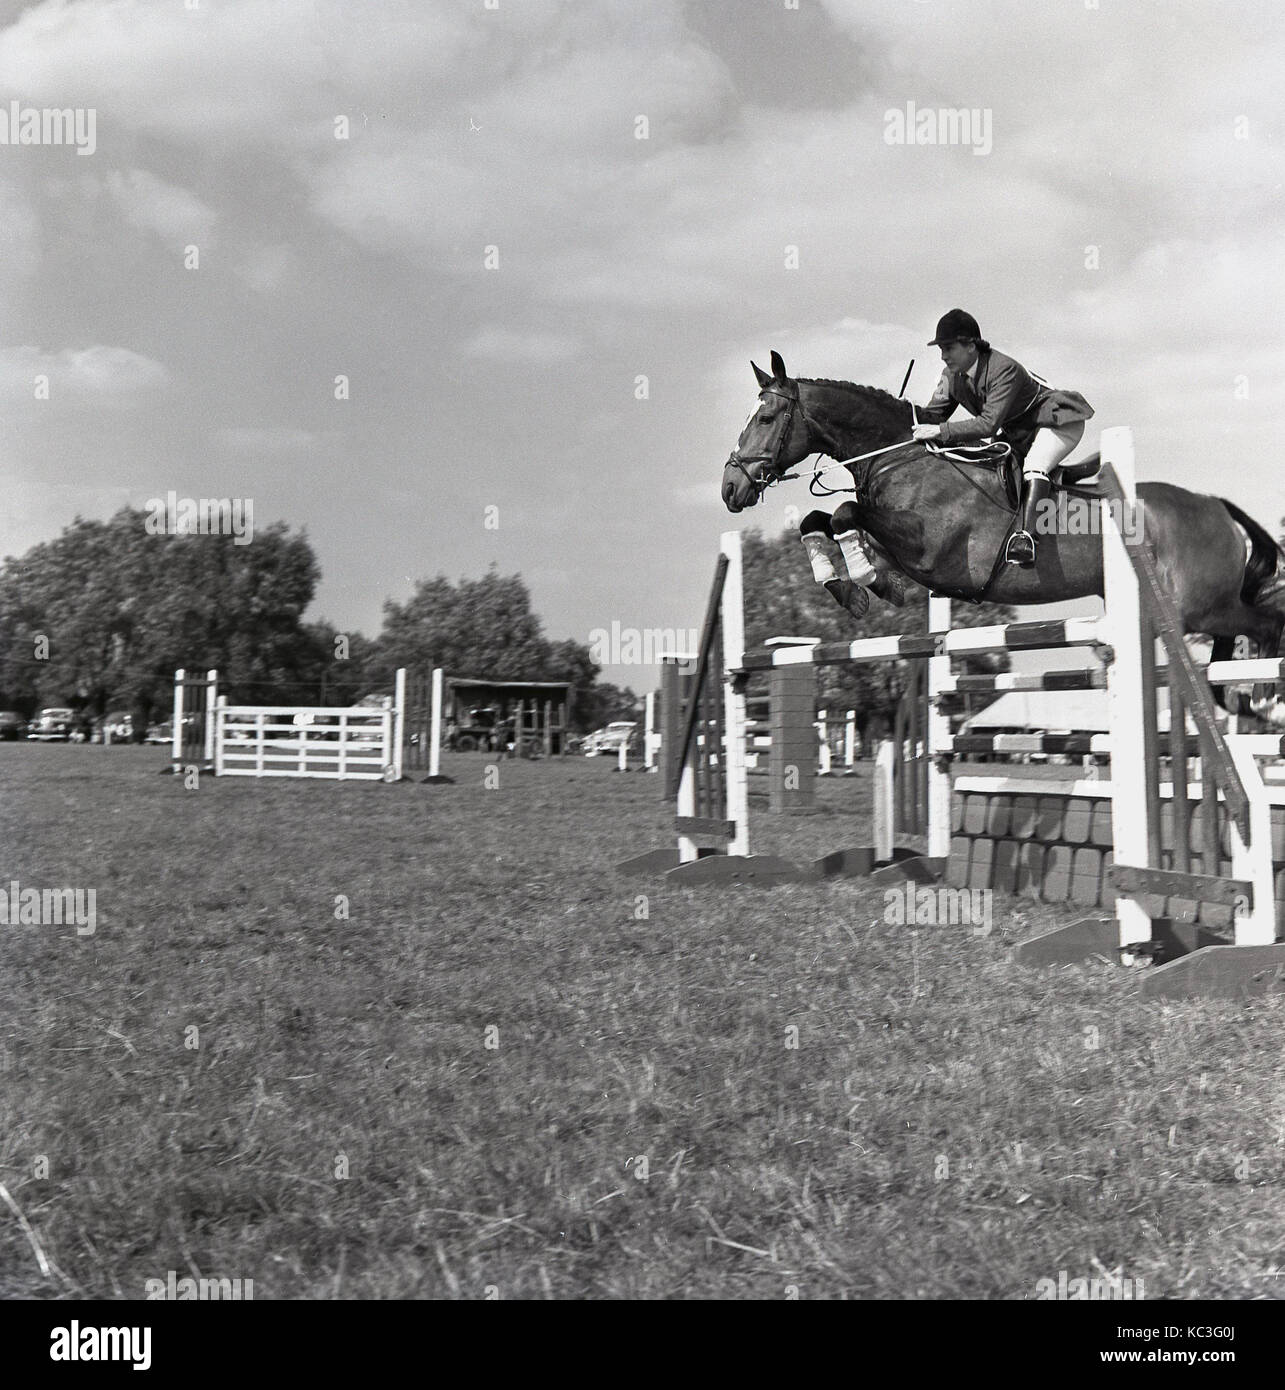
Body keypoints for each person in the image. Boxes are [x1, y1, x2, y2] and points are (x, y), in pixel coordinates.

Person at [911, 309, 1094, 567]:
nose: (943, 356)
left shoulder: (1003, 369)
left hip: (1057, 421)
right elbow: (932, 416)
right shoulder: (950, 376)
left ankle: (1027, 539)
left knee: (1034, 467)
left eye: (949, 348)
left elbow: (987, 424)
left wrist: (942, 431)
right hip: (1021, 432)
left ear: (971, 346)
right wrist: (901, 413)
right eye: (941, 349)